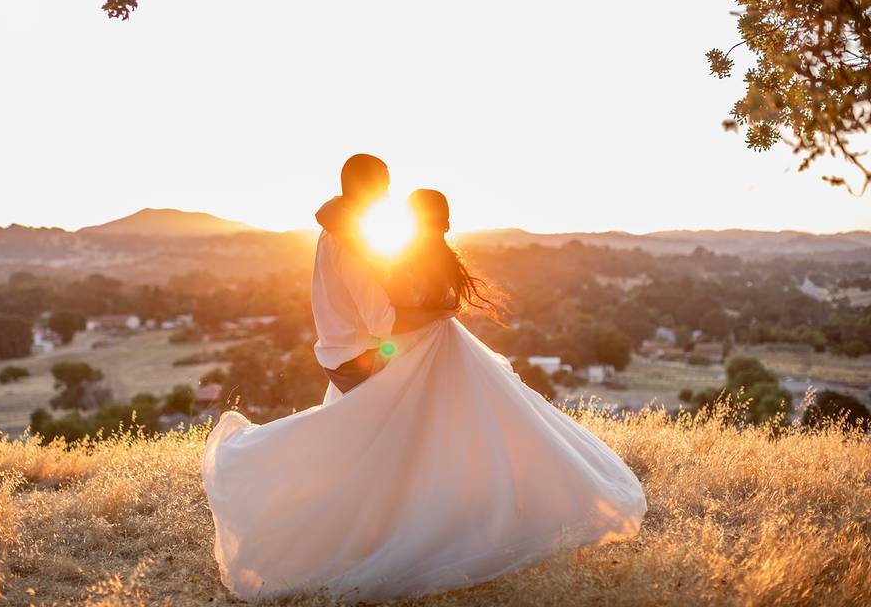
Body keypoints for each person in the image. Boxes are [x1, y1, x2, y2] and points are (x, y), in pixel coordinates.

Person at [202, 183, 647, 602]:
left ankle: (378, 511)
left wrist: (401, 322)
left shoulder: (410, 254)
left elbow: (399, 316)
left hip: (419, 351)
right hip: (436, 348)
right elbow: (442, 306)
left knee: (397, 440)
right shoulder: (437, 253)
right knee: (451, 434)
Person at [309, 153, 453, 394]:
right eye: (383, 188)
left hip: (341, 353)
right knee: (443, 363)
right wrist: (440, 312)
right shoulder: (350, 242)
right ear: (366, 190)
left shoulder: (340, 225)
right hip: (358, 361)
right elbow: (382, 322)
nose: (387, 196)